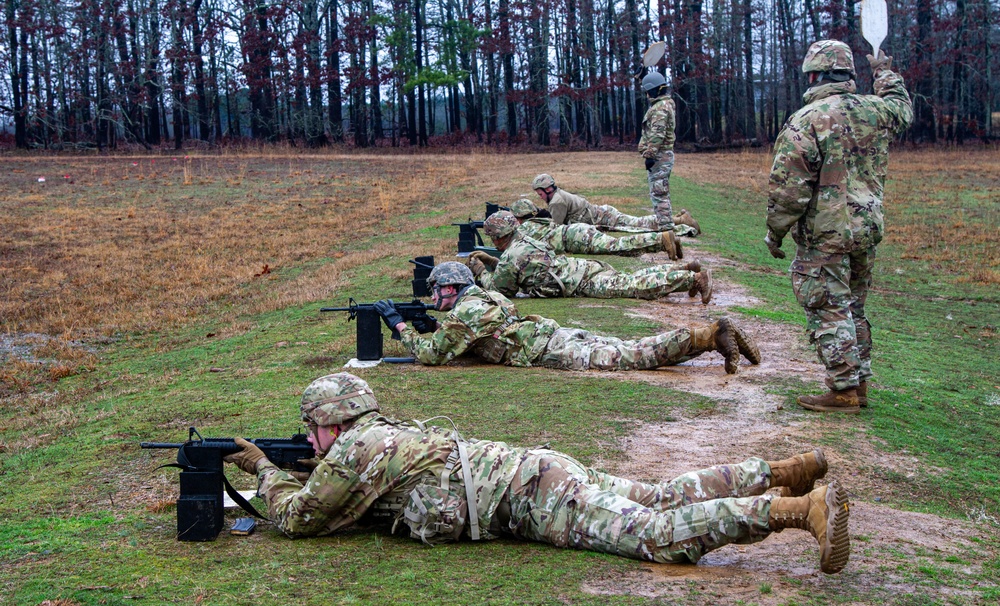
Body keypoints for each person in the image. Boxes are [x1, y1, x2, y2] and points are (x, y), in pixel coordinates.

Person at [222, 372, 850, 574]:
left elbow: (303, 520)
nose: (309, 439)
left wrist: (266, 474)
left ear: (333, 421)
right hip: (535, 470)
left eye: (312, 428)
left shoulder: (355, 452)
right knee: (659, 495)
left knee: (654, 536)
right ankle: (783, 470)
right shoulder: (377, 436)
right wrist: (305, 464)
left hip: (529, 498)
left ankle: (796, 510)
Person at [765, 40, 912, 414]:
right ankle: (858, 383)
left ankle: (843, 389)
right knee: (854, 307)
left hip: (826, 234)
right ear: (848, 74)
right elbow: (903, 109)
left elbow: (788, 189)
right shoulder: (876, 110)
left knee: (827, 306)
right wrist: (884, 71)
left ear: (813, 75)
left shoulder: (808, 119)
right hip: (866, 230)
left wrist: (775, 231)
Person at [374, 261, 757, 373]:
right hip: (552, 333)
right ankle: (706, 337)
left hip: (549, 348)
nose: (432, 296)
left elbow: (433, 355)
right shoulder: (482, 296)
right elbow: (465, 336)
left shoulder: (466, 312)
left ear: (451, 289)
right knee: (628, 346)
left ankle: (707, 336)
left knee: (631, 357)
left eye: (437, 290)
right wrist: (433, 324)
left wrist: (401, 326)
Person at [468, 211, 713, 303]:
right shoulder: (522, 241)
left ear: (498, 236)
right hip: (579, 268)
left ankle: (694, 279)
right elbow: (517, 268)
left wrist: (480, 270)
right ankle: (685, 272)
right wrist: (492, 262)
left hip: (578, 280)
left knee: (633, 286)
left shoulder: (512, 256)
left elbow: (502, 289)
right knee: (630, 277)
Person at [531, 173, 698, 241]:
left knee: (640, 224)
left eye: (540, 194)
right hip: (601, 213)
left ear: (547, 189)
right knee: (639, 223)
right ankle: (678, 218)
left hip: (603, 216)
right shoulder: (558, 196)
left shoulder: (556, 201)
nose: (540, 197)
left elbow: (557, 228)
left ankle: (681, 220)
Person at [509, 198, 677, 258]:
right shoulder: (538, 221)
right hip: (577, 231)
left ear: (518, 217)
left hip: (576, 237)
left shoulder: (527, 228)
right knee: (618, 244)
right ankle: (663, 241)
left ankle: (662, 239)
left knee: (617, 246)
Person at [638, 71, 680, 235]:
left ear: (654, 91)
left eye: (648, 91)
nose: (647, 95)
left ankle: (666, 232)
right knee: (660, 192)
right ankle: (666, 228)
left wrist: (650, 155)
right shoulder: (665, 104)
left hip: (659, 157)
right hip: (662, 155)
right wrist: (643, 77)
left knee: (659, 194)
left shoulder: (660, 108)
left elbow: (657, 134)